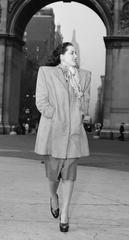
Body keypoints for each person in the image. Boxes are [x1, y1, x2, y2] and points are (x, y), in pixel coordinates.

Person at [34, 42, 90, 232]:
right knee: (53, 175)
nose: (76, 56)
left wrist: (79, 114)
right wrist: (55, 115)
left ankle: (65, 214)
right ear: (61, 55)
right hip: (53, 132)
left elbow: (85, 104)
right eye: (72, 53)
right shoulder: (46, 73)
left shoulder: (84, 76)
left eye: (76, 52)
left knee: (69, 174)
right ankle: (53, 196)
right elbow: (41, 101)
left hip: (74, 133)